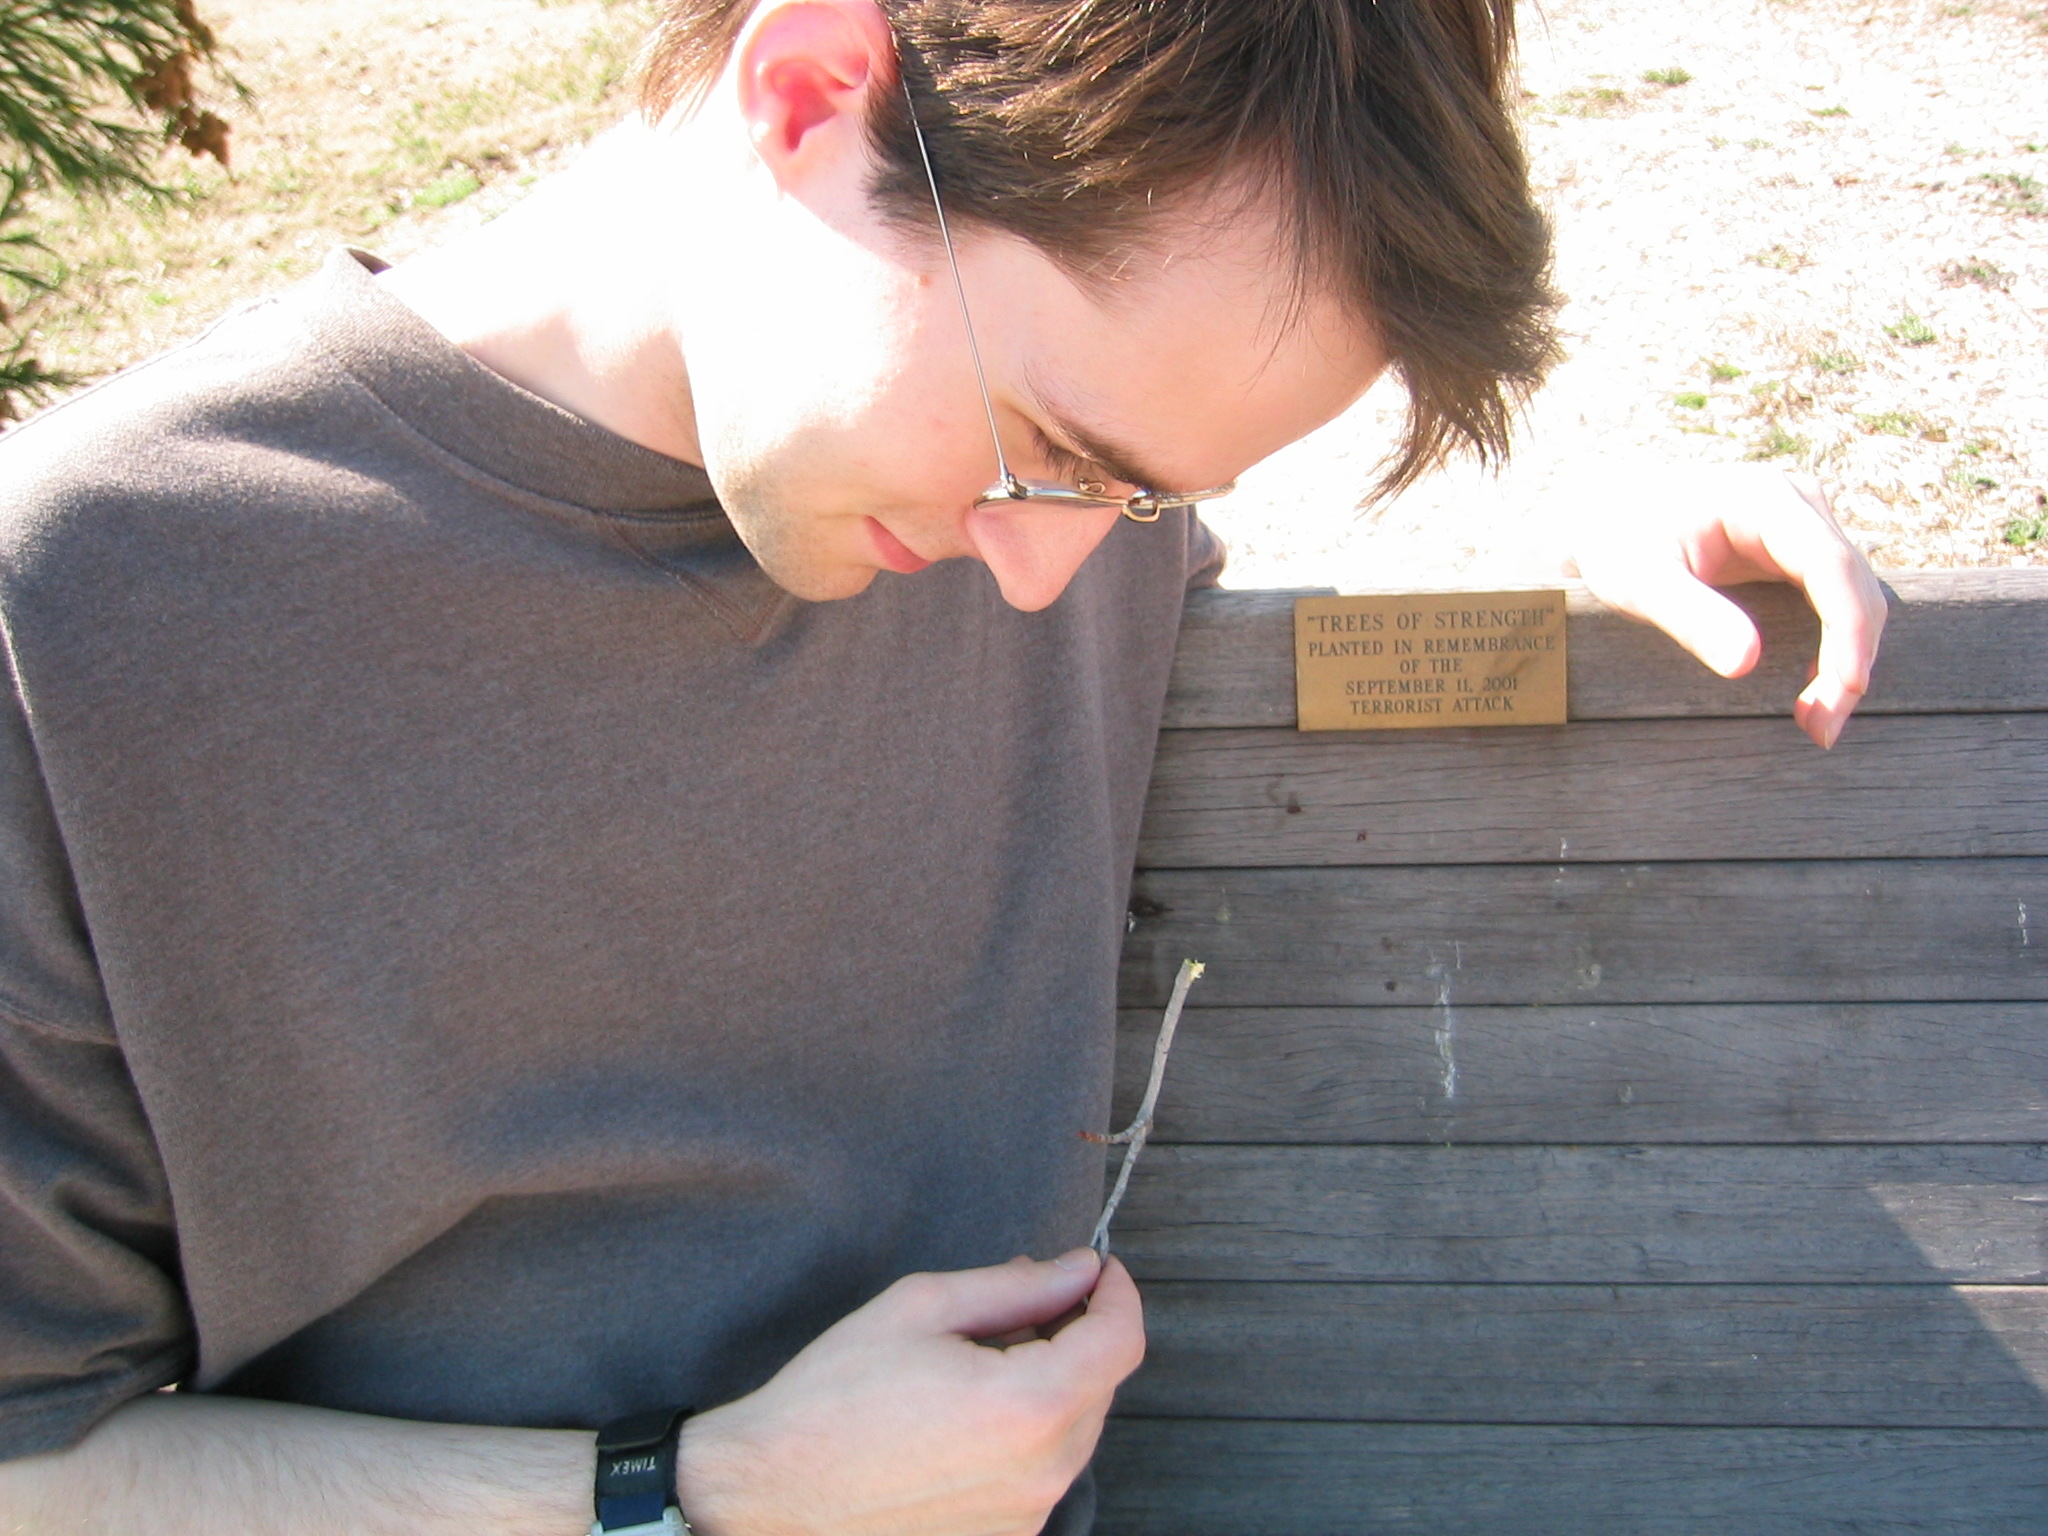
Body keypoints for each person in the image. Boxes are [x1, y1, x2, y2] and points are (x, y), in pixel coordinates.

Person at [0, 1, 1885, 1532]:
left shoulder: (1024, 499)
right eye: (1043, 441)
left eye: (1141, 498)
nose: (1052, 579)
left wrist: (1573, 562)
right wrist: (685, 1497)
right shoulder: (85, 614)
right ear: (810, 91)